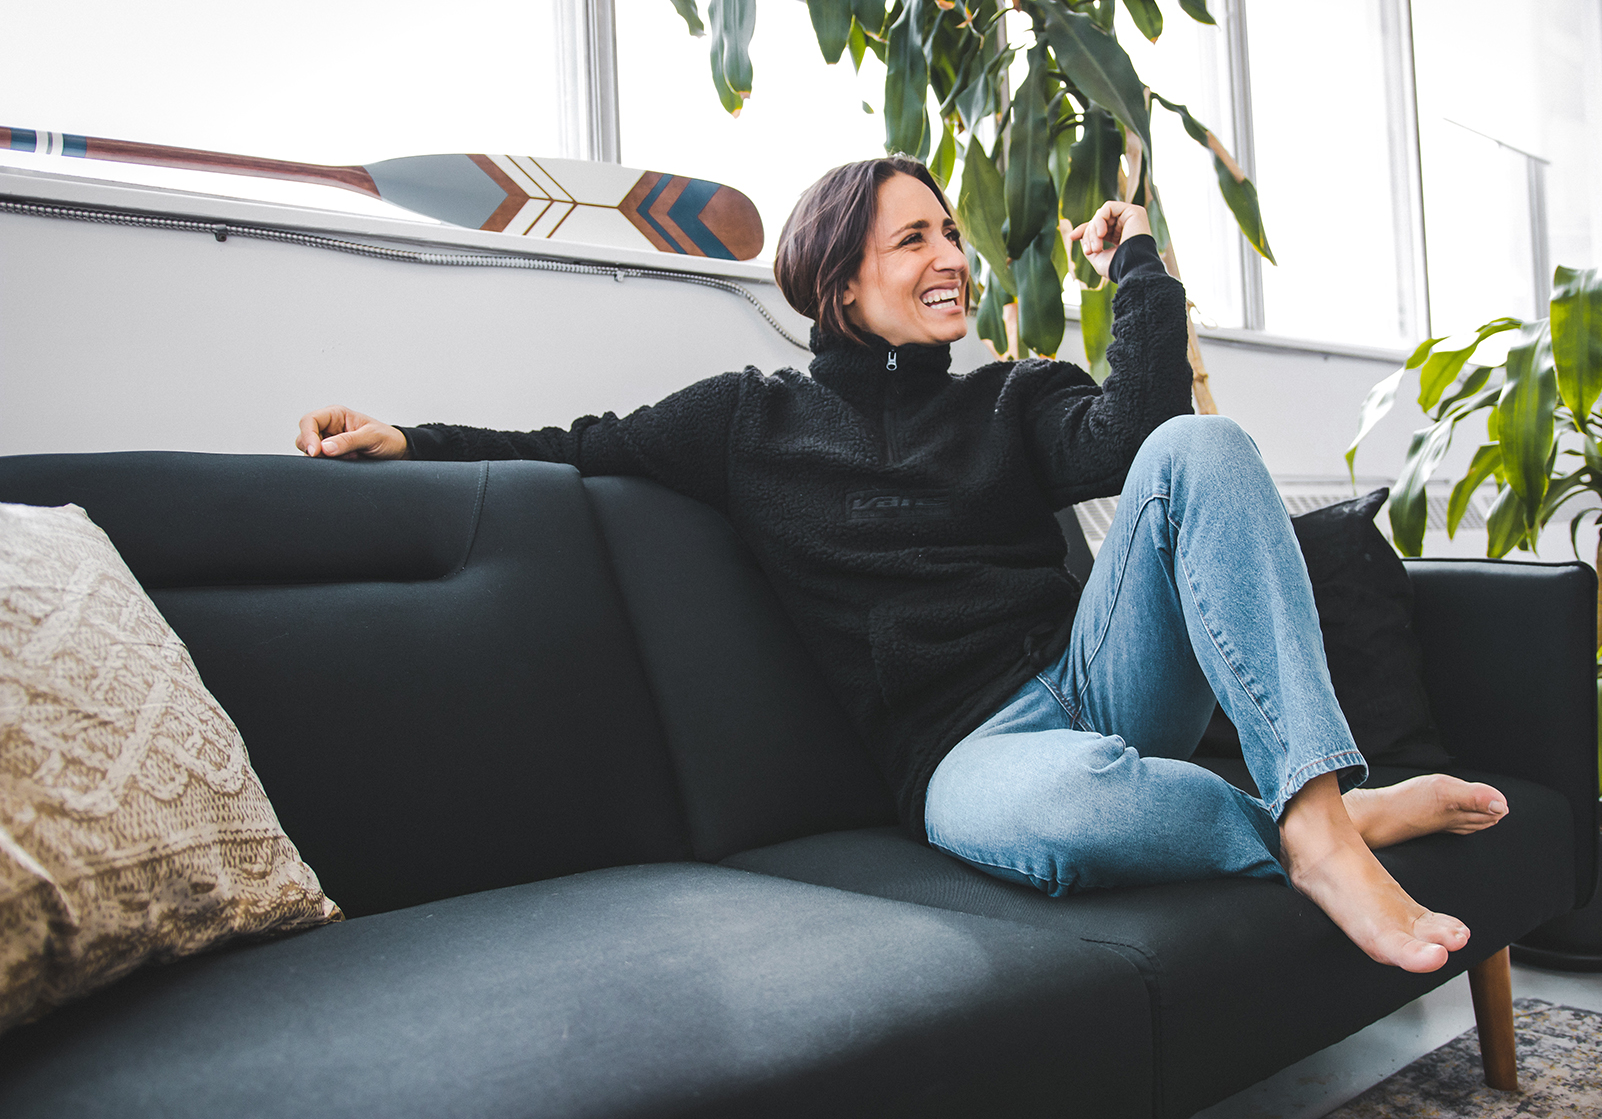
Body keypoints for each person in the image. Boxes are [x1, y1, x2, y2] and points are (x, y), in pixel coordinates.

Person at [298, 155, 1508, 974]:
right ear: (841, 278)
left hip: (1100, 680)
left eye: (954, 235)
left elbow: (1144, 436)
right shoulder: (747, 419)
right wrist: (406, 439)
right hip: (962, 753)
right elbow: (574, 446)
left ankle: (1319, 821)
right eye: (916, 237)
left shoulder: (1010, 399)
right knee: (1073, 818)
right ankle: (1311, 821)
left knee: (1205, 444)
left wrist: (1137, 264)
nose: (953, 257)